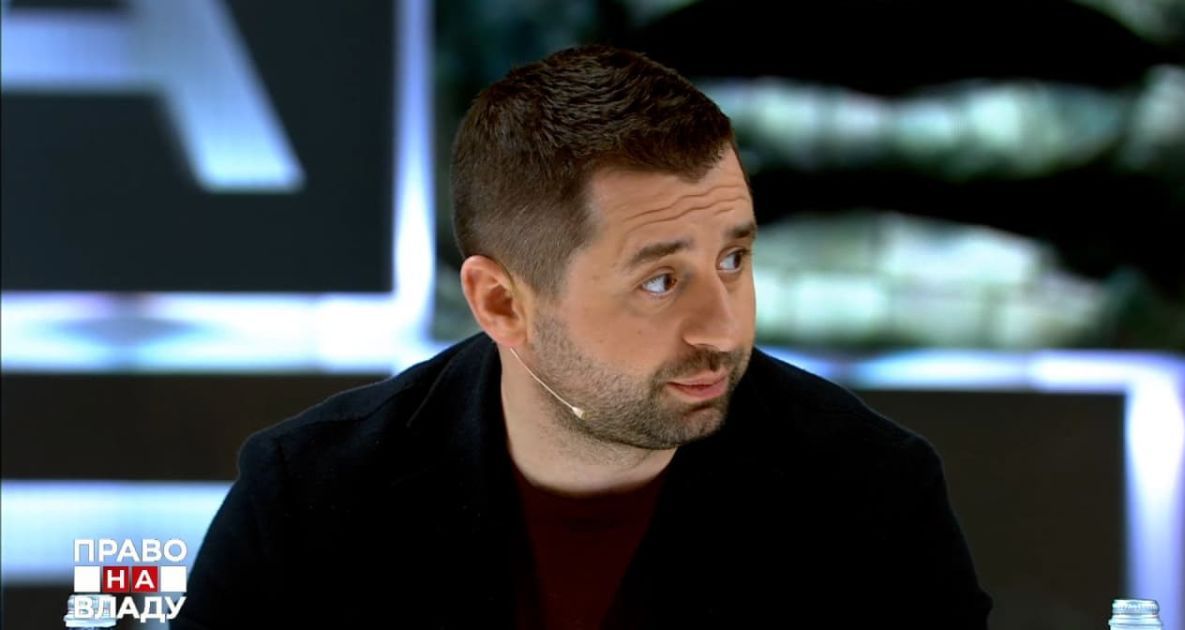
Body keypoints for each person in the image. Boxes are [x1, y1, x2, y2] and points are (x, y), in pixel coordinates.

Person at [176, 44, 992, 629]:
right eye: (659, 280)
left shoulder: (868, 492)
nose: (723, 326)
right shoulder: (311, 498)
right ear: (501, 303)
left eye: (734, 260)